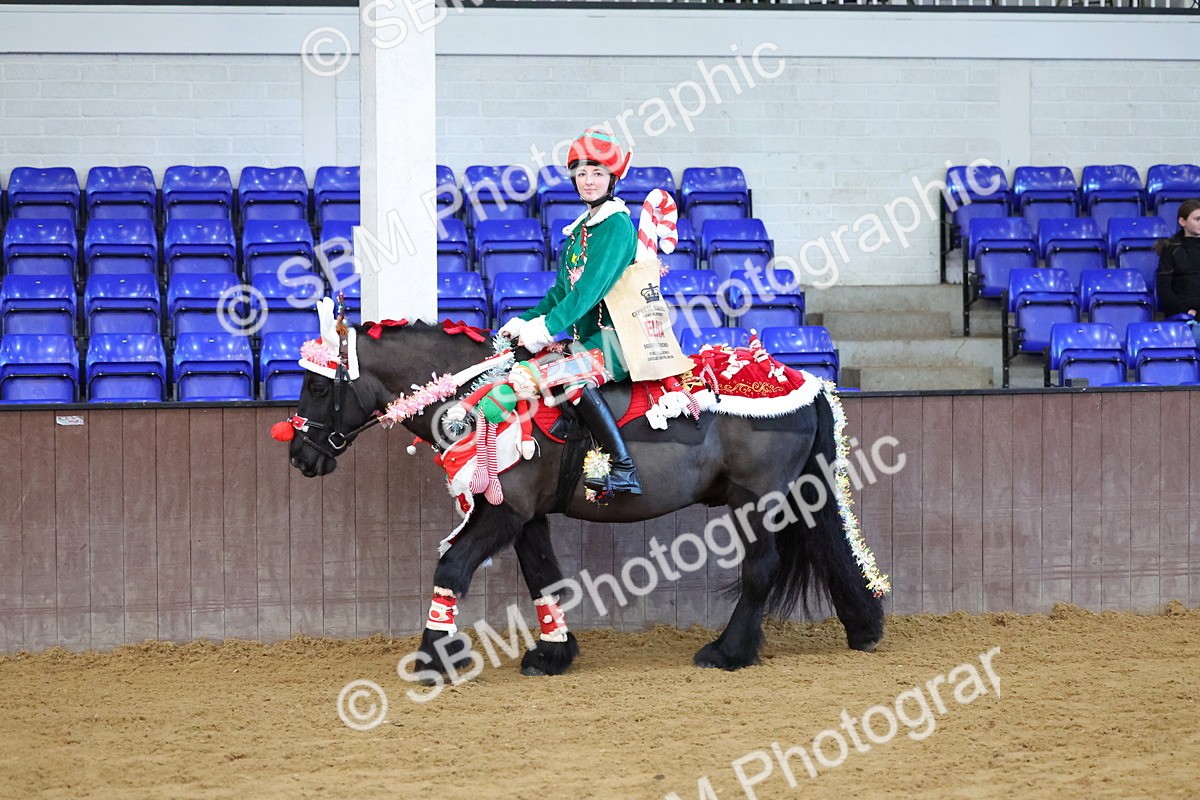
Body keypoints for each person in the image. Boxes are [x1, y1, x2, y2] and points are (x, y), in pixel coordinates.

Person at [497, 129, 642, 496]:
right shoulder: (579, 231)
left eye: (596, 172)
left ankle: (623, 467)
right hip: (585, 339)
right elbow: (562, 292)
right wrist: (527, 320)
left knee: (569, 378)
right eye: (581, 173)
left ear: (612, 178)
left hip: (616, 340)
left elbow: (589, 292)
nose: (588, 181)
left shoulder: (616, 225)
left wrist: (547, 328)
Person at [1155, 198, 1200, 344]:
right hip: (1184, 315)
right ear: (1182, 221)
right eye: (1197, 219)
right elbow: (1164, 288)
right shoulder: (1171, 249)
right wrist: (1186, 312)